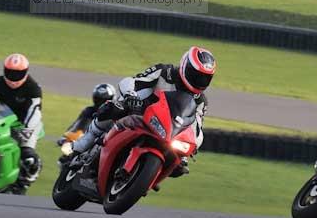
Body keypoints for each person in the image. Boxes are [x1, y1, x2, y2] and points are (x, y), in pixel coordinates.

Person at [70, 46, 216, 177]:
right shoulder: (164, 72)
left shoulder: (200, 101)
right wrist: (130, 95)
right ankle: (86, 142)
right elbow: (132, 81)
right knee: (114, 108)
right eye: (196, 75)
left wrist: (191, 147)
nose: (199, 80)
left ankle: (144, 176)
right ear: (185, 66)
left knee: (177, 163)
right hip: (139, 111)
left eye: (205, 78)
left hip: (167, 131)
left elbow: (196, 128)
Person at [0, 53, 43, 194]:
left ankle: (22, 184)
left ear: (25, 72)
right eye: (10, 72)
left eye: (17, 73)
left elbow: (35, 111)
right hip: (1, 119)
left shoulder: (33, 87)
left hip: (25, 123)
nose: (13, 77)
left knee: (28, 157)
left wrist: (27, 129)